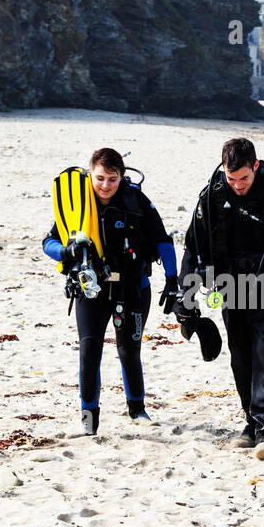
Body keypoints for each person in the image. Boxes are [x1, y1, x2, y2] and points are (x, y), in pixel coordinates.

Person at [175, 137, 264, 460]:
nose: (238, 185)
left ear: (255, 166)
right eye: (232, 179)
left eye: (243, 177)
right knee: (240, 356)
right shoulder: (212, 197)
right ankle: (250, 422)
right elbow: (193, 246)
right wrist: (184, 296)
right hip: (230, 285)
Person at [42, 148, 177, 434]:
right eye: (100, 178)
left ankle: (137, 410)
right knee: (89, 351)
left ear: (121, 177)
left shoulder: (136, 201)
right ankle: (89, 419)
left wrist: (172, 278)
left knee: (129, 350)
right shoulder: (78, 205)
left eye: (112, 179)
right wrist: (66, 252)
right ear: (90, 174)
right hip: (91, 291)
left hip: (133, 289)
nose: (105, 185)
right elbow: (48, 243)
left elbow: (163, 241)